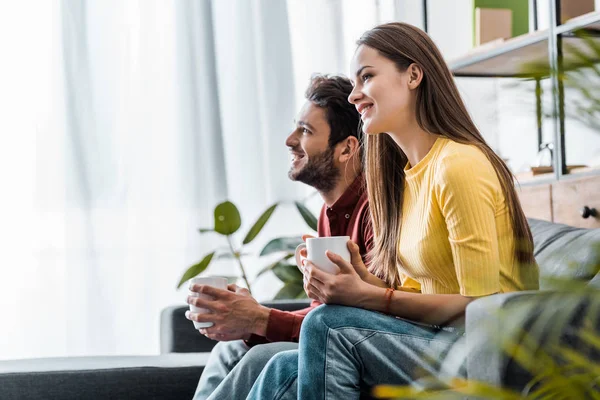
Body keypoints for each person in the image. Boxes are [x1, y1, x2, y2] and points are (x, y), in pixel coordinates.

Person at [248, 22, 540, 399]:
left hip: (489, 351)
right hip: (439, 342)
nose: (355, 96)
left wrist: (368, 298)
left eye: (366, 77)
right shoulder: (405, 176)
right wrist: (359, 281)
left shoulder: (459, 165)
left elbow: (480, 309)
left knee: (327, 324)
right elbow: (419, 296)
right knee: (281, 366)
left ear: (414, 75)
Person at [186, 74, 383, 400]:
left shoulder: (376, 211)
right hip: (333, 336)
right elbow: (326, 312)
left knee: (262, 355)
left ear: (347, 149)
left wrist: (261, 319)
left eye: (306, 131)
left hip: (362, 348)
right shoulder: (329, 214)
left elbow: (362, 321)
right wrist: (250, 319)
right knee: (231, 347)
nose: (290, 140)